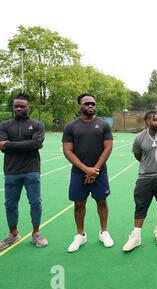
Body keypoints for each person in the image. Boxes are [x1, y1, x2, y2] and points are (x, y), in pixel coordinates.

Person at [0, 94, 48, 250]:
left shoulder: (37, 125)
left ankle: (36, 233)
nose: (18, 108)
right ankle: (13, 234)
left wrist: (8, 144)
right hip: (11, 171)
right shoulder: (4, 126)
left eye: (22, 106)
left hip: (32, 170)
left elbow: (36, 143)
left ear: (28, 107)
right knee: (10, 204)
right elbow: (0, 145)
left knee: (35, 202)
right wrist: (29, 144)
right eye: (16, 106)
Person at [62, 93, 114, 253]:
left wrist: (95, 170)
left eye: (93, 103)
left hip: (100, 172)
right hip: (79, 173)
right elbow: (67, 151)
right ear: (79, 105)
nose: (90, 106)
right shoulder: (70, 127)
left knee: (101, 201)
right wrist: (86, 170)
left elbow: (108, 147)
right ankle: (80, 235)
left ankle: (104, 232)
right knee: (78, 204)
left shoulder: (103, 125)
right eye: (86, 103)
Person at [122, 110, 157, 251]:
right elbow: (138, 155)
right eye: (155, 120)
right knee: (140, 206)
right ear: (147, 121)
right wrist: (149, 165)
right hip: (145, 177)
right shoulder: (140, 138)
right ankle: (136, 236)